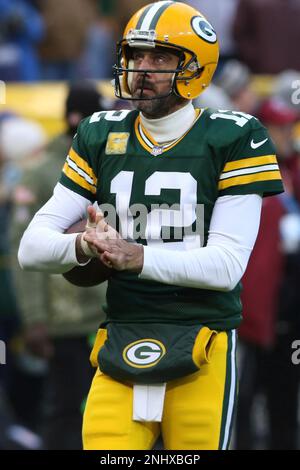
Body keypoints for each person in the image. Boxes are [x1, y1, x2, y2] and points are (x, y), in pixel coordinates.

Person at [18, 1, 284, 450]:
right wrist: (85, 245)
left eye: (159, 58)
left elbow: (225, 267)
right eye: (135, 56)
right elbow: (31, 248)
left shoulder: (236, 135)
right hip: (121, 332)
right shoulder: (100, 132)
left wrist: (136, 256)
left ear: (196, 67)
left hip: (203, 336)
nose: (142, 69)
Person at [12, 81, 109, 449]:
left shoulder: (110, 162)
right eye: (92, 117)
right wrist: (35, 317)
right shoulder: (40, 172)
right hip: (64, 318)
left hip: (107, 311)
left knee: (109, 414)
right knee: (66, 411)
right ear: (73, 118)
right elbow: (22, 249)